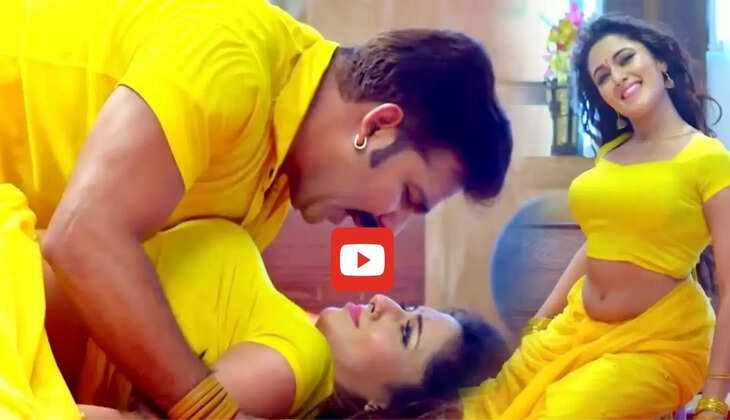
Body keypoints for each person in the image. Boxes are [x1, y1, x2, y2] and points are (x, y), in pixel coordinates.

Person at [0, 0, 512, 416]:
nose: (388, 228)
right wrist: (208, 411)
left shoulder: (267, 193)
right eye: (407, 196)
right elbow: (83, 237)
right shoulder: (233, 56)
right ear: (376, 127)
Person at [459, 13, 730, 419]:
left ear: (660, 61)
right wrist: (541, 320)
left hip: (659, 344)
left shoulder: (708, 158)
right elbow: (599, 243)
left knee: (557, 412)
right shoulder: (610, 154)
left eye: (625, 59)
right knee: (483, 405)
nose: (617, 77)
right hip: (576, 328)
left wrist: (714, 400)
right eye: (602, 76)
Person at [40, 218, 509, 418]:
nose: (382, 303)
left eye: (406, 332)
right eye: (406, 308)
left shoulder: (300, 361)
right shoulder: (300, 334)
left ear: (382, 406)